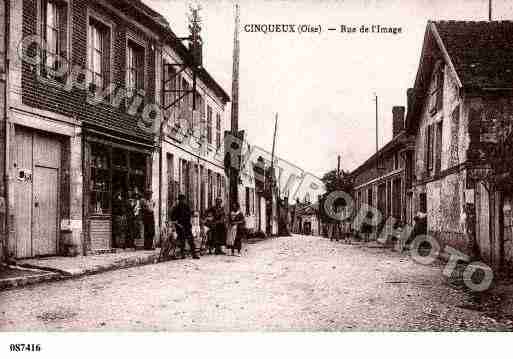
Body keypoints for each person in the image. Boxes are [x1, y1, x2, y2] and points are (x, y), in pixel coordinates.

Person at [171, 194, 199, 259]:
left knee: (191, 240)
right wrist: (177, 224)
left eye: (183, 199)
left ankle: (194, 254)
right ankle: (182, 254)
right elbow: (173, 218)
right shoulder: (176, 208)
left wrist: (193, 214)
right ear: (179, 200)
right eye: (181, 199)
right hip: (180, 226)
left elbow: (189, 214)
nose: (182, 201)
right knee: (182, 240)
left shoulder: (186, 207)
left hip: (187, 226)